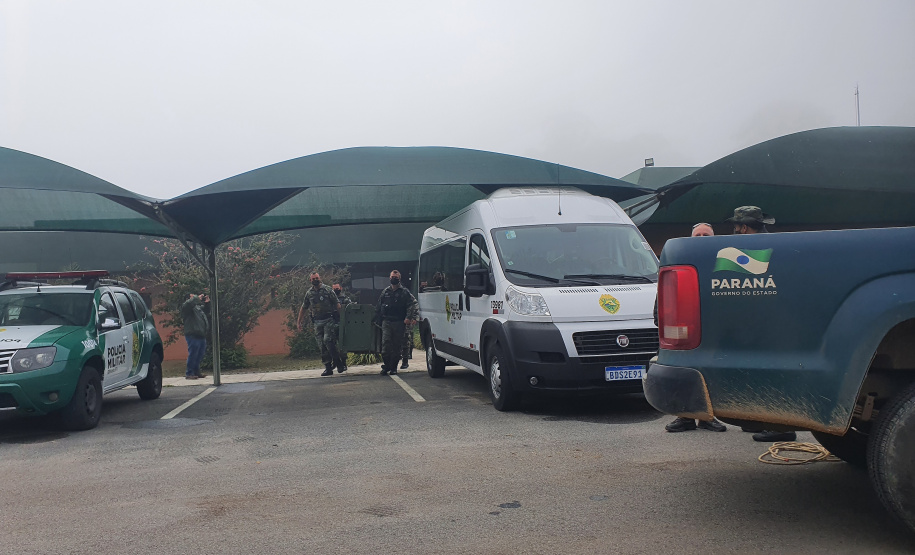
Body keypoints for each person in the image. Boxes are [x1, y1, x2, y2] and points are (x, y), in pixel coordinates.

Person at [727, 206, 797, 443]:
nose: (735, 231)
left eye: (736, 227)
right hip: (773, 320)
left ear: (744, 227)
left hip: (772, 322)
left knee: (774, 374)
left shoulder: (758, 248)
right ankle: (766, 421)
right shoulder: (773, 243)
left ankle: (781, 427)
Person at [665, 223, 727, 433]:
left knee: (709, 374)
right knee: (683, 373)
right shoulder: (681, 259)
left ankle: (708, 418)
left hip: (711, 332)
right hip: (685, 331)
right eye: (698, 235)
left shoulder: (721, 263)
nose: (701, 237)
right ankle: (684, 417)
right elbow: (666, 294)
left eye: (706, 235)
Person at [297, 272, 343, 377]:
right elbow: (304, 307)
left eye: (317, 278)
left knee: (328, 340)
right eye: (313, 279)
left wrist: (341, 319)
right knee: (321, 345)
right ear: (310, 280)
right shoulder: (309, 293)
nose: (315, 280)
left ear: (320, 278)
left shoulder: (328, 290)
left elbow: (337, 304)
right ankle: (328, 367)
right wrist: (299, 321)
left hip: (328, 320)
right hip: (317, 322)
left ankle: (337, 361)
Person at [375, 270, 418, 376]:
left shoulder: (404, 292)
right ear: (389, 278)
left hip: (399, 322)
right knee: (385, 346)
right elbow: (379, 306)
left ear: (399, 278)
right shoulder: (385, 292)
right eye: (392, 277)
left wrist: (409, 317)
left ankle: (393, 367)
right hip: (387, 321)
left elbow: (411, 305)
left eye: (396, 277)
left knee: (396, 346)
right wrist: (377, 319)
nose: (394, 278)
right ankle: (386, 365)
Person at [180, 293, 209, 380]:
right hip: (192, 334)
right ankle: (189, 373)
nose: (195, 297)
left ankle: (196, 371)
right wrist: (197, 298)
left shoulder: (197, 309)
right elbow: (188, 304)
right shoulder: (186, 308)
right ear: (188, 299)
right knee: (193, 353)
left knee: (200, 353)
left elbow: (206, 311)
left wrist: (207, 303)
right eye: (192, 296)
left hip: (201, 334)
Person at [332, 283, 351, 373]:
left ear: (341, 288)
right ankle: (334, 362)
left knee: (342, 345)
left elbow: (350, 309)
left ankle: (343, 363)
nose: (336, 290)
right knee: (331, 344)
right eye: (334, 289)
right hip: (331, 323)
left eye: (337, 288)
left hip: (342, 323)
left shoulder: (345, 299)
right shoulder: (330, 299)